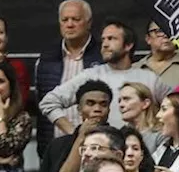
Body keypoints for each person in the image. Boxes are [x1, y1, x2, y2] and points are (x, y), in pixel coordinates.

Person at [39, 19, 168, 133]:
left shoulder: (149, 78)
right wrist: (74, 133)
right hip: (100, 152)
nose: (105, 44)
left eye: (111, 39)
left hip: (139, 153)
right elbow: (49, 102)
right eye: (103, 40)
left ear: (128, 45)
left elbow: (177, 108)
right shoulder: (90, 76)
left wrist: (160, 133)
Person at [134, 20, 179, 91]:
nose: (165, 35)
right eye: (159, 31)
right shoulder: (134, 69)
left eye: (170, 31)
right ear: (148, 39)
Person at [118, 82, 164, 155]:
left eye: (126, 99)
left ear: (145, 103)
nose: (121, 105)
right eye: (119, 101)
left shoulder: (161, 135)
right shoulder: (119, 135)